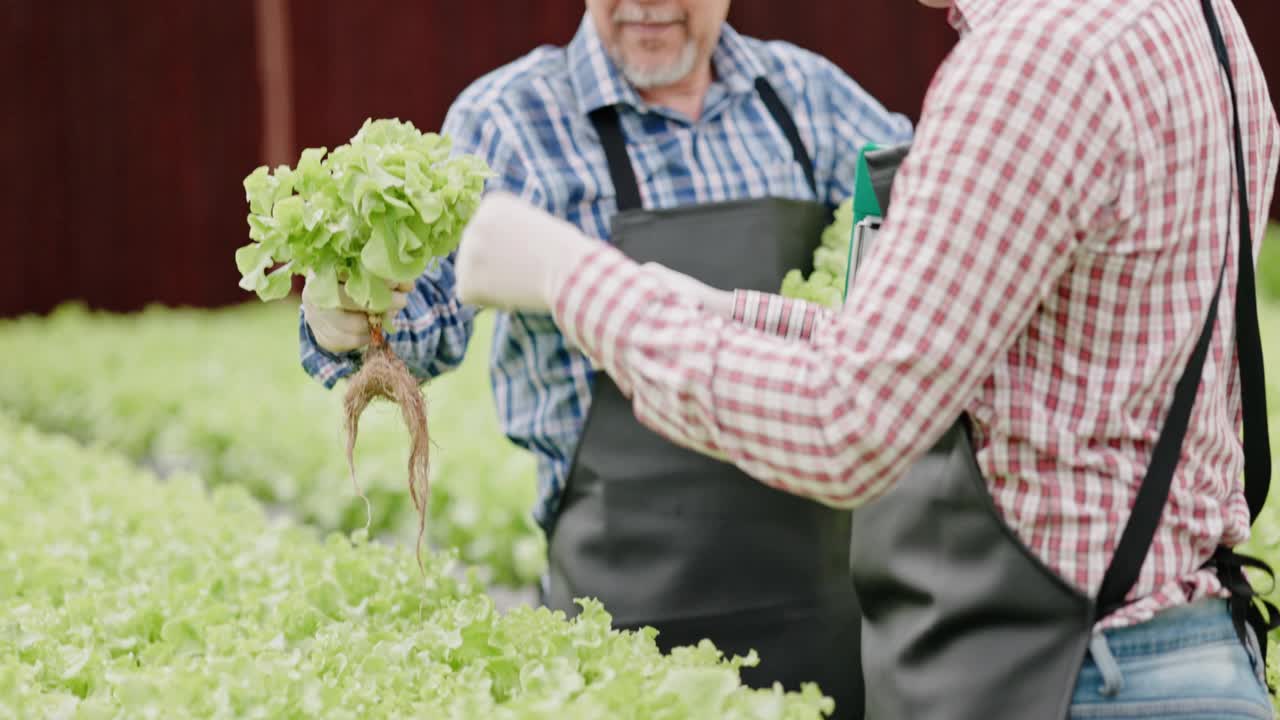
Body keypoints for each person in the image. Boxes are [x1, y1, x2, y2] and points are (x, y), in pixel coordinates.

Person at [452, 0, 1280, 718]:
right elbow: (950, 350)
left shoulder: (1030, 66)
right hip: (1194, 649)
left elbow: (847, 420)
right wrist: (721, 311)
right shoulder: (1200, 22)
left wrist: (573, 278)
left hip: (1070, 675)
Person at [298, 1, 912, 715]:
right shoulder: (515, 119)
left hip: (829, 619)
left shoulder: (812, 99)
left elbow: (934, 242)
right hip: (619, 637)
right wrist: (349, 317)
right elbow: (428, 310)